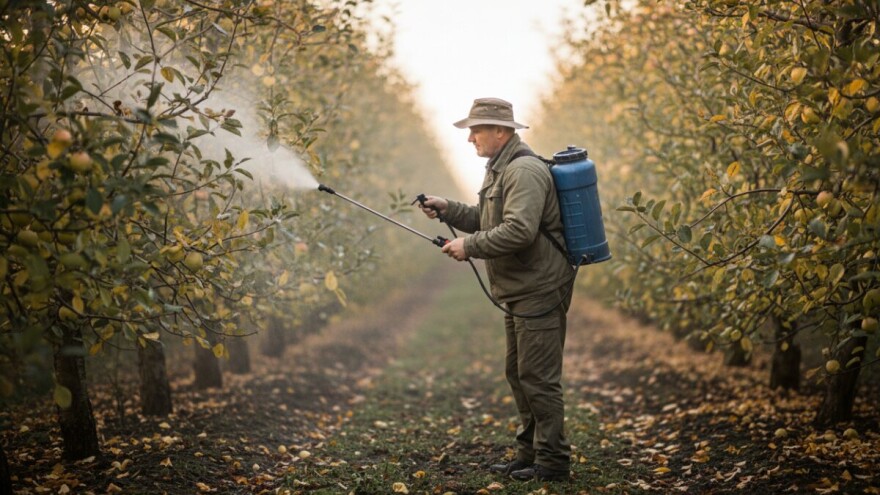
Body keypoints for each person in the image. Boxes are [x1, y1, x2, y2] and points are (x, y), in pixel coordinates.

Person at [418, 97, 574, 482]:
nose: (470, 138)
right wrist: (449, 208)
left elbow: (519, 231)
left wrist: (467, 246)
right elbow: (486, 220)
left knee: (538, 377)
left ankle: (552, 463)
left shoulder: (523, 171)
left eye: (477, 129)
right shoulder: (499, 170)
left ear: (501, 132)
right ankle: (528, 455)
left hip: (539, 286)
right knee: (519, 374)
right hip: (521, 287)